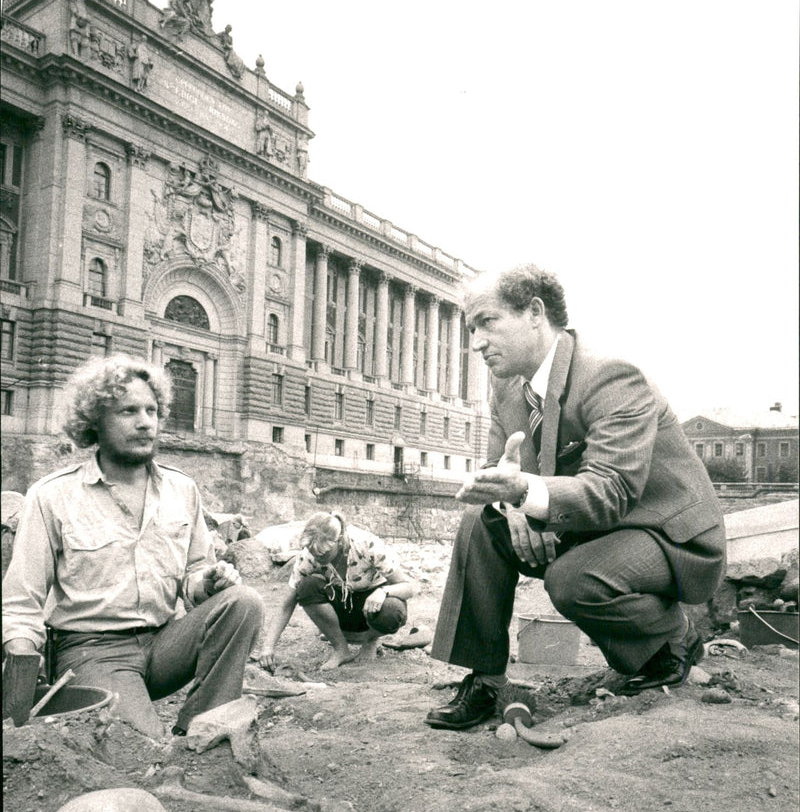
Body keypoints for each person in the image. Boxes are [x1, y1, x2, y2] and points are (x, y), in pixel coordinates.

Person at [426, 263, 726, 731]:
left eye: (487, 322)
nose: (476, 342)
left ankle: (672, 638)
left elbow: (612, 490)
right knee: (479, 523)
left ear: (534, 312)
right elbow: (497, 470)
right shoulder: (506, 387)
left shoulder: (611, 376)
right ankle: (486, 680)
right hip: (589, 524)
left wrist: (525, 493)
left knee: (571, 581)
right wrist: (512, 507)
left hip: (665, 532)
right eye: (471, 329)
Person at [2, 355, 263, 739]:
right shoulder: (52, 495)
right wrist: (21, 678)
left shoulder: (182, 489)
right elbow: (22, 601)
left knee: (243, 602)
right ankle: (159, 742)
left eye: (151, 411)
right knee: (140, 750)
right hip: (92, 652)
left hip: (164, 643)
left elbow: (193, 576)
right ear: (94, 421)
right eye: (128, 411)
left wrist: (207, 581)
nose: (145, 422)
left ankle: (200, 733)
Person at [259, 511, 416, 672]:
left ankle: (370, 640)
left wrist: (383, 592)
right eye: (313, 553)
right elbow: (286, 605)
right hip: (343, 609)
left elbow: (408, 587)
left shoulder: (366, 544)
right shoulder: (309, 557)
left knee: (392, 609)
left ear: (339, 540)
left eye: (323, 553)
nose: (317, 558)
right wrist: (267, 648)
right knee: (307, 587)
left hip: (373, 609)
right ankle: (341, 649)